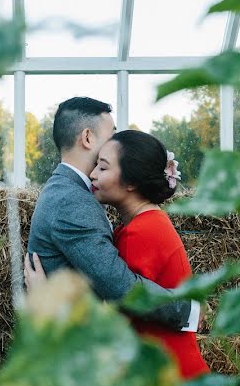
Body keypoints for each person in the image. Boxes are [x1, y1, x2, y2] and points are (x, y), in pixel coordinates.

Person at [30, 127, 211, 386]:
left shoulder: (141, 233)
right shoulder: (147, 223)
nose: (92, 176)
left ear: (131, 182)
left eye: (103, 167)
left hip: (166, 383)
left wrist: (47, 295)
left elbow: (119, 308)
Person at [24, 97, 199, 332]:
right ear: (87, 138)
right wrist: (191, 311)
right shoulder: (71, 201)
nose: (117, 142)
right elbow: (119, 286)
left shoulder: (69, 191)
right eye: (112, 134)